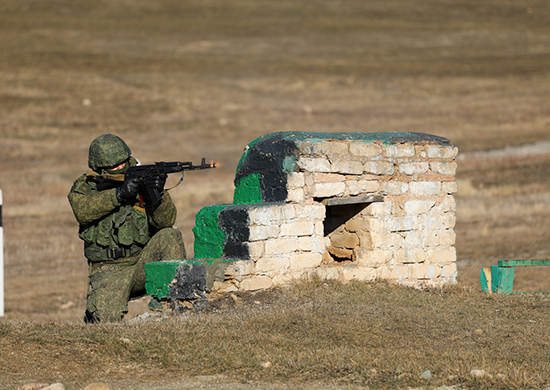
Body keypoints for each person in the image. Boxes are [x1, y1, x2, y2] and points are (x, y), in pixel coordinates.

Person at [68, 134, 186, 323]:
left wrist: (157, 194)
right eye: (112, 166)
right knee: (104, 322)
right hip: (109, 269)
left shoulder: (141, 177)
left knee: (170, 235)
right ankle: (94, 312)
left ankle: (175, 304)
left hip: (142, 262)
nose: (119, 167)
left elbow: (165, 222)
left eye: (122, 162)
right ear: (99, 167)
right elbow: (82, 211)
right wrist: (118, 194)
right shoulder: (86, 186)